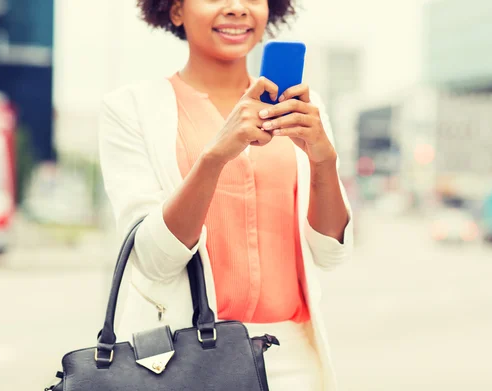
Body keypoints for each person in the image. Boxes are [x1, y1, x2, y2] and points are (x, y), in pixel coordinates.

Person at [98, 0, 354, 389]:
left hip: (293, 358)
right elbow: (153, 259)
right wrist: (215, 156)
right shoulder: (131, 109)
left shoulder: (305, 107)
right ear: (175, 9)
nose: (236, 8)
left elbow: (331, 252)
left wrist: (323, 162)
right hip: (187, 359)